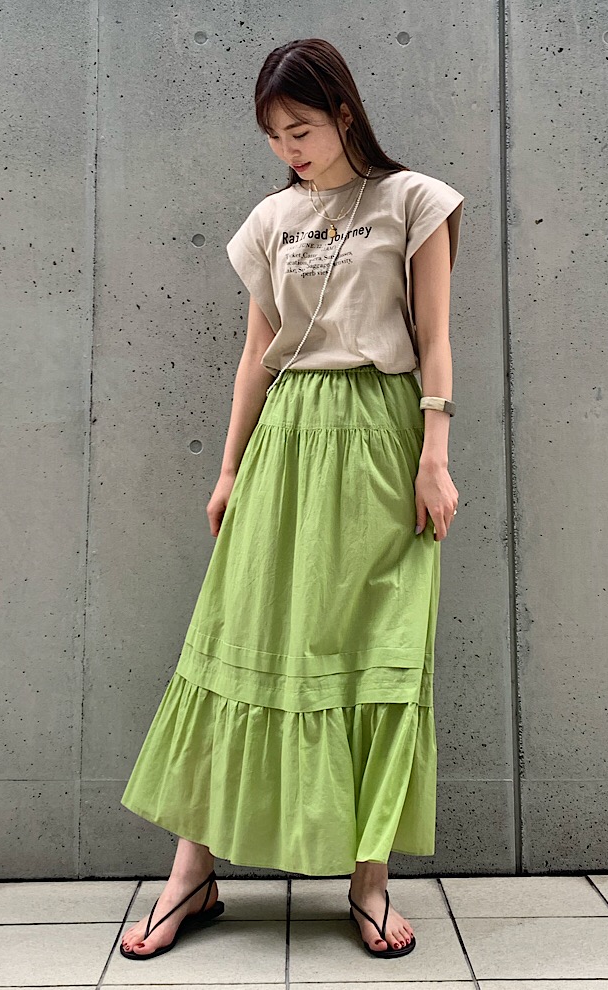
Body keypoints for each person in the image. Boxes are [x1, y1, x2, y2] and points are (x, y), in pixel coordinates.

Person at [119, 37, 464, 962]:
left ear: (344, 114)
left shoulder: (413, 201)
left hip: (383, 439)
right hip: (287, 443)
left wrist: (435, 457)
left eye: (301, 130)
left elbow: (435, 341)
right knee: (241, 643)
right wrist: (229, 468)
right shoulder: (271, 218)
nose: (289, 150)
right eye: (274, 136)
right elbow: (255, 354)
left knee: (378, 653)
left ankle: (369, 882)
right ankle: (192, 876)